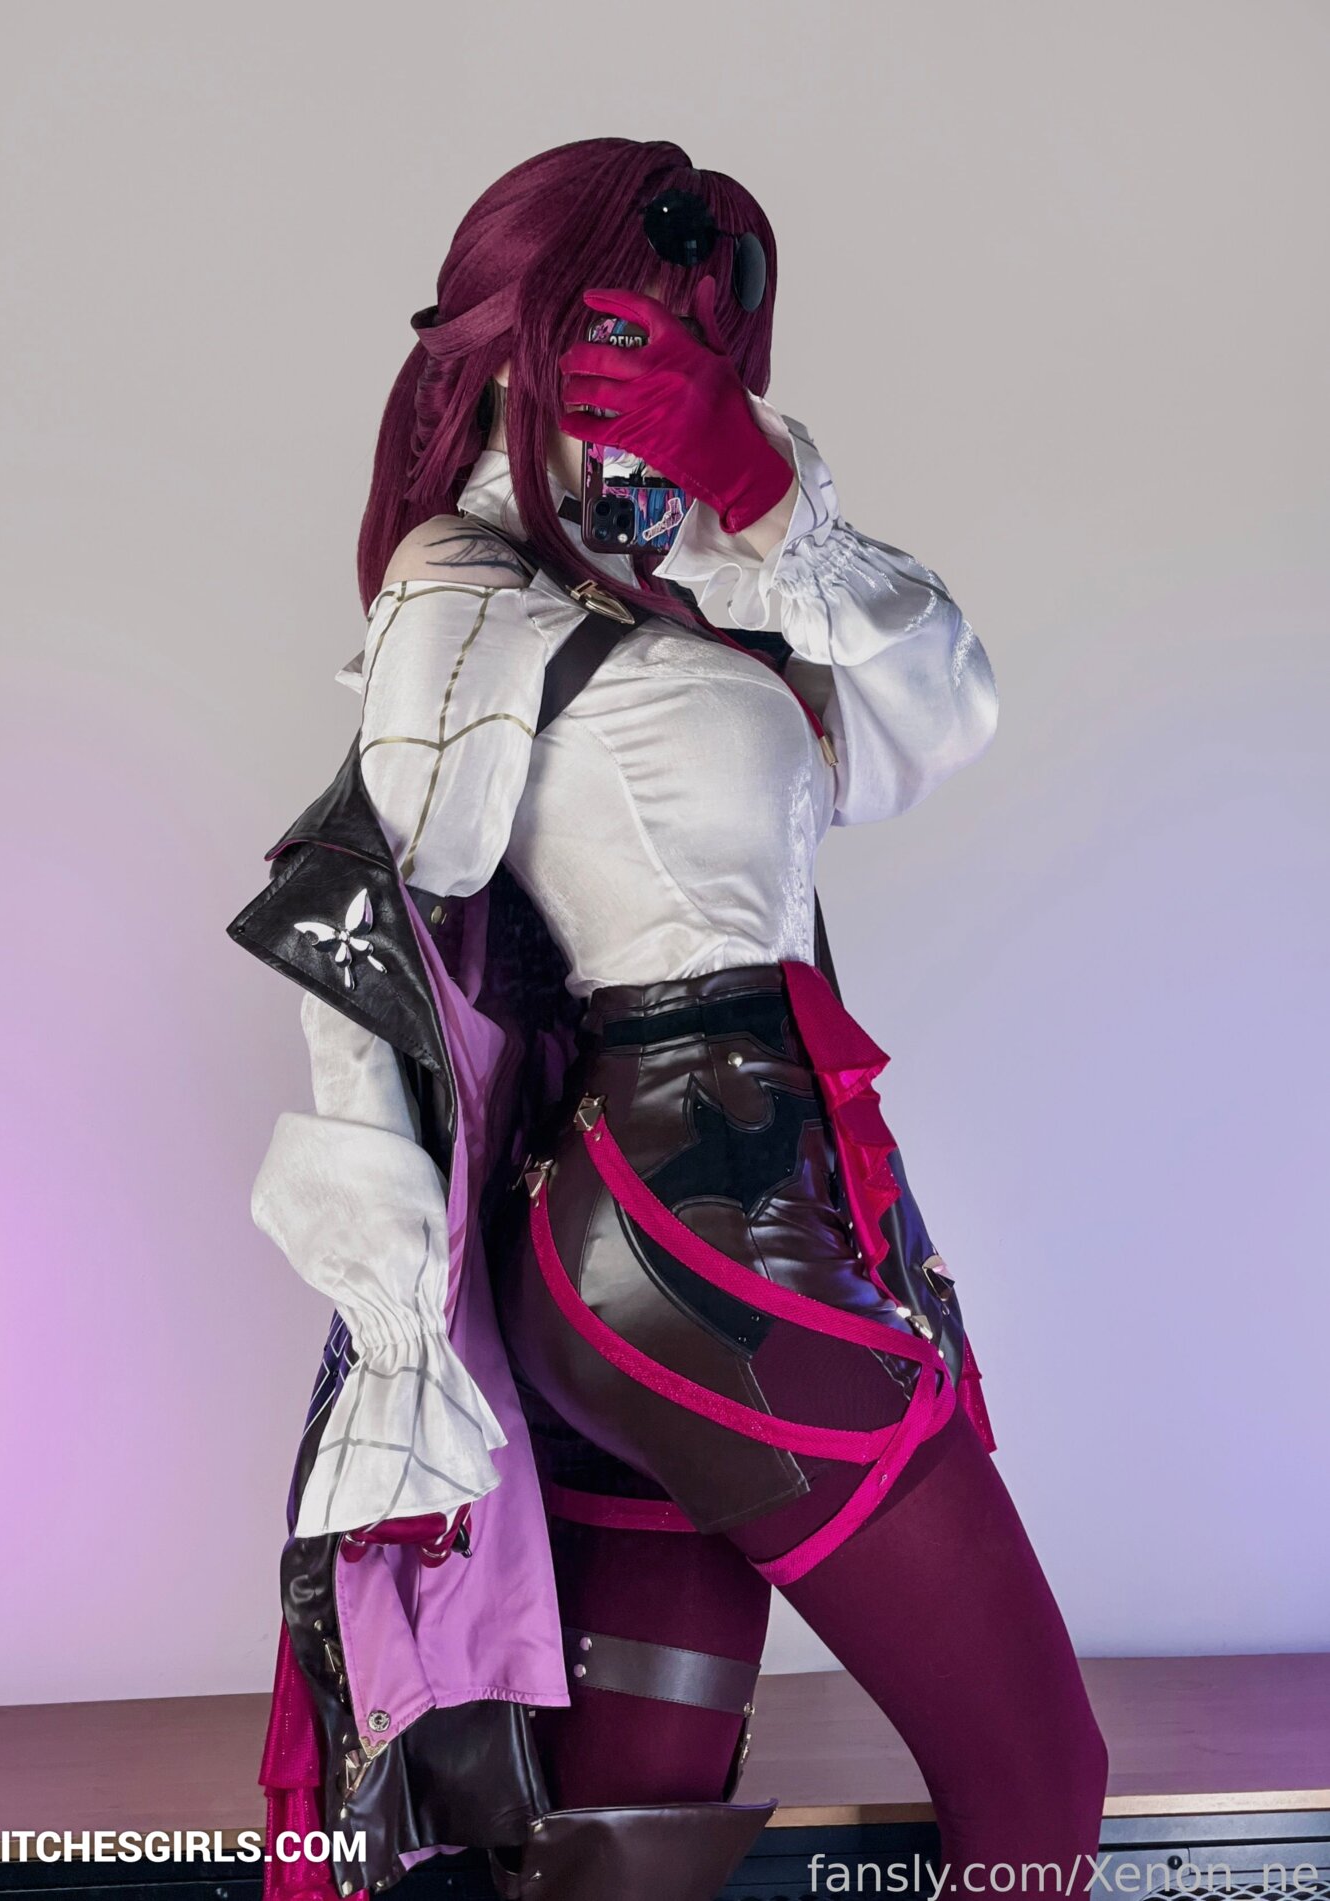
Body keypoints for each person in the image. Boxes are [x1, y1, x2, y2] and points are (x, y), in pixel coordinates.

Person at [237, 137, 1109, 1901]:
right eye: (625, 332)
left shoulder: (712, 585)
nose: (665, 379)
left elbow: (940, 719)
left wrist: (767, 500)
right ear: (516, 336)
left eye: (704, 340)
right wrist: (396, 1329)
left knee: (629, 1837)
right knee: (1039, 1774)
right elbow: (370, 906)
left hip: (732, 1214)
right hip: (689, 1240)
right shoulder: (466, 587)